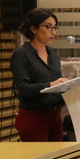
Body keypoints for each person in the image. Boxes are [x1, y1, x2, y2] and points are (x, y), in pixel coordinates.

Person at [11, 8, 67, 142]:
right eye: (48, 27)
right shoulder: (22, 54)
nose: (53, 32)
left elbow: (57, 82)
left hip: (55, 115)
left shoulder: (52, 53)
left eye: (54, 27)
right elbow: (24, 89)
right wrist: (50, 85)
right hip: (33, 117)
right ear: (33, 29)